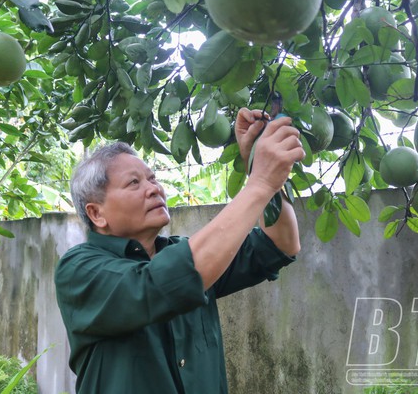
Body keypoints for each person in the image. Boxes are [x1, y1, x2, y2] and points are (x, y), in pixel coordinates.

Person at [54, 107, 305, 394]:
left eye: (152, 178)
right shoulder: (79, 270)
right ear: (97, 214)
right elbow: (157, 284)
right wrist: (259, 182)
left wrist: (259, 169)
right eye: (134, 183)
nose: (154, 189)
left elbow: (280, 244)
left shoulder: (185, 254)